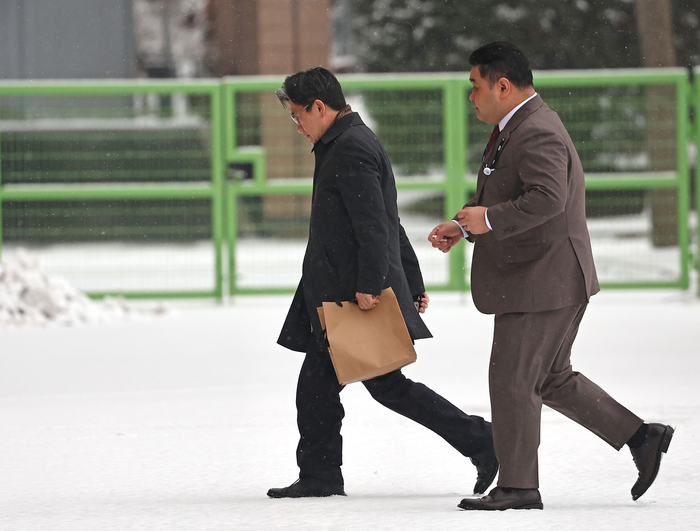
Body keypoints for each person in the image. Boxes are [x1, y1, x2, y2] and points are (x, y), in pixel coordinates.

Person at [429, 41, 674, 511]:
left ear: (502, 85)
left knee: (513, 378)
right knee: (550, 377)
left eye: (475, 87)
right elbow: (513, 194)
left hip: (543, 279)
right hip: (547, 276)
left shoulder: (536, 129)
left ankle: (519, 486)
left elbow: (547, 198)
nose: (471, 97)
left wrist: (489, 220)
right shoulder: (519, 124)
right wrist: (466, 225)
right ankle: (642, 437)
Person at [268, 66, 497, 499]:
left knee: (379, 388)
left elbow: (375, 225)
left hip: (353, 297)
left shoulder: (350, 147)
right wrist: (410, 281)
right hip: (340, 294)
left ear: (320, 108)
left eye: (298, 114)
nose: (296, 125)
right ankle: (321, 475)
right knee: (330, 390)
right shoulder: (344, 142)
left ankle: (483, 441)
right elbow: (388, 220)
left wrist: (375, 285)